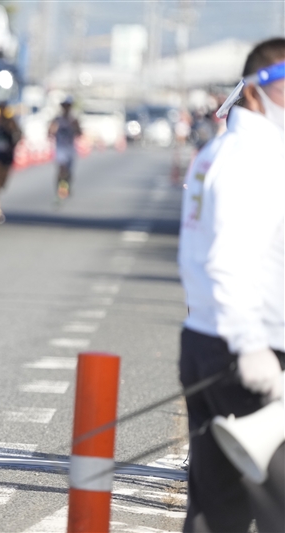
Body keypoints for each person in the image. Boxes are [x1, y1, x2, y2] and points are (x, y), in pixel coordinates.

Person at [178, 37, 284, 533]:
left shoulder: (221, 150)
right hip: (250, 351)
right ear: (259, 90)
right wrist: (251, 349)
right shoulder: (255, 158)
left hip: (207, 341)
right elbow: (227, 262)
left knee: (216, 512)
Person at [0, 101, 22, 222]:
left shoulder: (11, 122)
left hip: (7, 154)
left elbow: (19, 134)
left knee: (3, 182)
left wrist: (13, 143)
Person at [47, 96, 81, 200]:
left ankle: (67, 185)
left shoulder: (74, 120)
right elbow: (49, 133)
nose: (66, 108)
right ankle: (60, 189)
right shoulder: (57, 120)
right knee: (62, 169)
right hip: (60, 148)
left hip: (70, 148)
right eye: (65, 106)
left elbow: (79, 133)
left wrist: (74, 127)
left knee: (69, 172)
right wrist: (54, 130)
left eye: (68, 106)